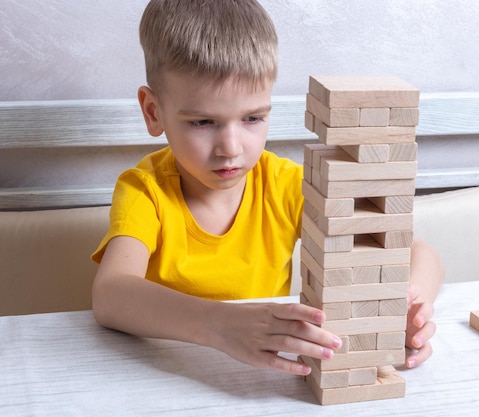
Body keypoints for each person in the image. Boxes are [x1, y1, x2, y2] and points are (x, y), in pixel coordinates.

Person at [92, 0, 444, 376]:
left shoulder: (286, 184)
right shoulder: (144, 191)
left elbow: (418, 251)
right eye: (203, 122)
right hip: (161, 370)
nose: (231, 147)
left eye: (253, 118)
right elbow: (111, 293)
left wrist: (406, 305)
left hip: (263, 378)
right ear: (153, 112)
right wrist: (221, 325)